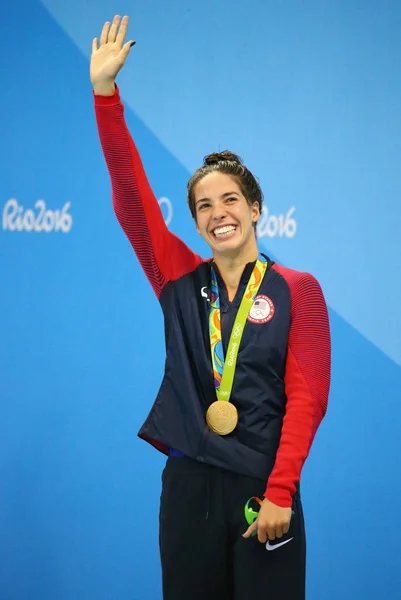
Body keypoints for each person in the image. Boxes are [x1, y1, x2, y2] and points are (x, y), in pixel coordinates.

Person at [90, 15, 331, 600]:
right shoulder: (177, 277)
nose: (218, 211)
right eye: (204, 205)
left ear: (255, 209)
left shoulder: (298, 288)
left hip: (262, 487)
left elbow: (308, 398)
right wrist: (105, 96)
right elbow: (132, 199)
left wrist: (280, 491)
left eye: (230, 199)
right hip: (189, 488)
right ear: (196, 221)